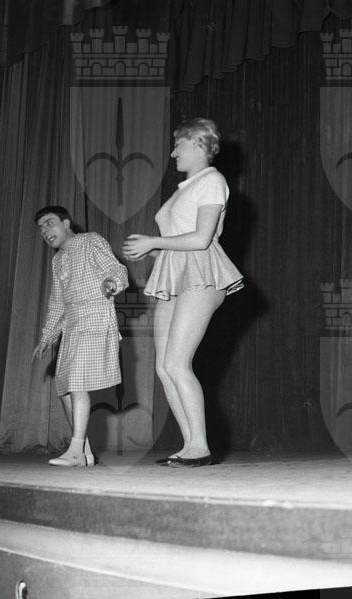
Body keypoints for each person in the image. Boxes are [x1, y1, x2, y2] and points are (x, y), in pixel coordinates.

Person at [122, 118, 243, 467]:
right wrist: (153, 250)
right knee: (164, 368)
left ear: (199, 144)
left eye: (179, 145)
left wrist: (153, 242)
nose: (174, 153)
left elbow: (202, 239)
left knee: (177, 362)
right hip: (175, 274)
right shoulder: (183, 189)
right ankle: (190, 444)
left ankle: (200, 446)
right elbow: (176, 241)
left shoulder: (213, 181)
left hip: (202, 272)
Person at [32, 206, 129, 467]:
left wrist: (112, 282)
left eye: (49, 223)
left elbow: (117, 269)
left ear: (66, 223)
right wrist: (47, 336)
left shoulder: (90, 241)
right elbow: (57, 302)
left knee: (76, 383)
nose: (45, 231)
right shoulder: (57, 260)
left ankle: (74, 451)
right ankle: (84, 452)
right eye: (41, 228)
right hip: (72, 325)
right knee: (64, 389)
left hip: (95, 317)